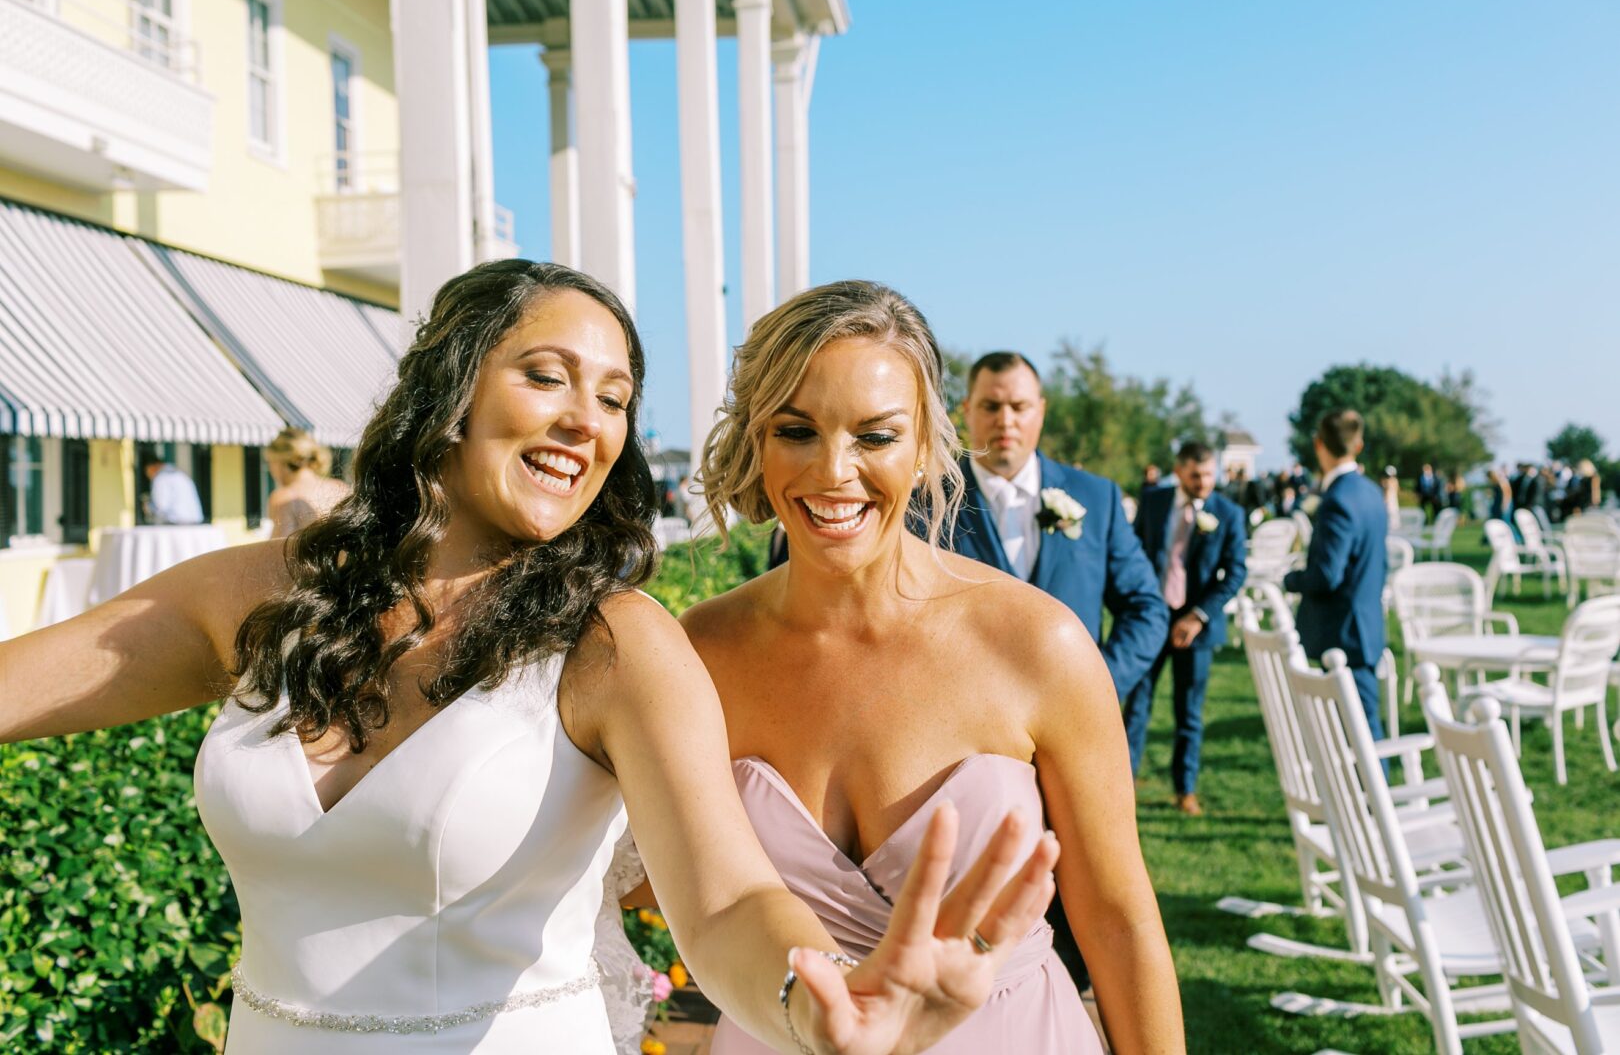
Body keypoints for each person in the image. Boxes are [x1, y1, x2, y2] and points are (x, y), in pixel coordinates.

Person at [0, 261, 1062, 1055]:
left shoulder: (617, 644)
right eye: (548, 376)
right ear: (454, 391)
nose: (584, 421)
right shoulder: (256, 595)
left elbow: (728, 900)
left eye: (613, 399)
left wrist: (817, 996)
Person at [684, 281, 1181, 1053]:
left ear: (924, 447)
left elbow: (1118, 921)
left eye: (875, 436)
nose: (832, 471)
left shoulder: (1035, 643)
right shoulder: (699, 655)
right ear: (757, 438)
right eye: (797, 430)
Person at [945, 349, 1168, 994]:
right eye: (990, 405)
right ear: (967, 411)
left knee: (1096, 909)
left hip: (1081, 754)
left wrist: (1093, 691)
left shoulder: (1093, 497)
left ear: (1040, 412)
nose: (1004, 420)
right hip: (972, 756)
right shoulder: (932, 496)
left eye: (1018, 406)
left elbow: (1146, 609)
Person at [1123, 442, 1247, 815]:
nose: (1204, 482)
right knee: (1136, 706)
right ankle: (1122, 784)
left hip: (1197, 628)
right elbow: (1135, 555)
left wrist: (1197, 616)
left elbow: (1235, 572)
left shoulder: (1228, 513)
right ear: (1178, 472)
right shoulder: (1155, 501)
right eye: (1196, 475)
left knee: (1188, 712)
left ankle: (1185, 788)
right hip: (1152, 621)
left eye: (1209, 474)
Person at [1283, 409, 1389, 741]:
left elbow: (1327, 575)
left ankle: (1371, 794)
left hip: (1343, 633)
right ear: (1358, 444)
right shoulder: (1371, 492)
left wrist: (1290, 579)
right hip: (1366, 624)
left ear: (1318, 444)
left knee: (1358, 733)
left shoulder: (1338, 499)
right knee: (1360, 727)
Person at [264, 427, 351, 538]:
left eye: (270, 463)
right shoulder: (342, 488)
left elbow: (278, 549)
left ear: (281, 462)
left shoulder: (284, 497)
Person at [143, 454, 205, 525]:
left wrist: (148, 506)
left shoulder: (161, 477)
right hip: (194, 520)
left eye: (147, 471)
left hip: (177, 522)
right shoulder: (179, 474)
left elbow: (161, 505)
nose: (148, 475)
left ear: (152, 466)